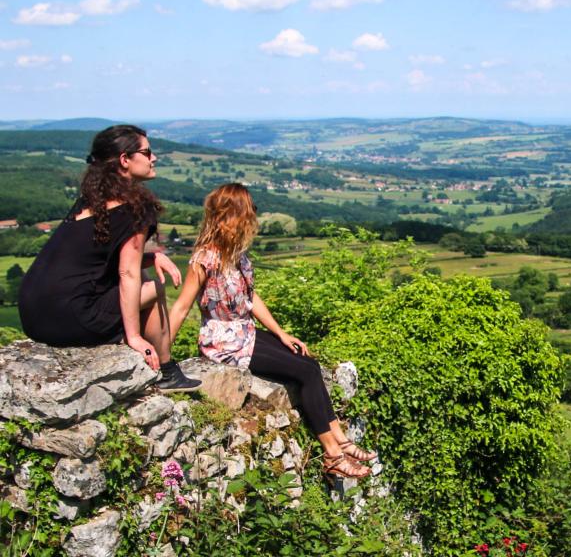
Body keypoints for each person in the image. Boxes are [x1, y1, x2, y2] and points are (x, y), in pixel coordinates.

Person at [169, 183, 376, 480]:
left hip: (245, 332)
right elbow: (181, 307)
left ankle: (340, 439)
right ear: (232, 215)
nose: (253, 217)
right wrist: (163, 359)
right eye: (248, 211)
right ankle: (333, 455)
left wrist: (280, 333)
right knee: (304, 372)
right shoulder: (206, 259)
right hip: (224, 342)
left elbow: (250, 299)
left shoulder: (237, 257)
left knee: (308, 362)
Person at [18, 124, 200, 392]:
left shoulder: (90, 200)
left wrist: (151, 258)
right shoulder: (135, 208)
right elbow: (127, 273)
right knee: (152, 287)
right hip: (73, 319)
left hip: (34, 318)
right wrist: (135, 336)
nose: (154, 158)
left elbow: (101, 256)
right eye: (147, 152)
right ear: (125, 160)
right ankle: (167, 370)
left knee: (143, 271)